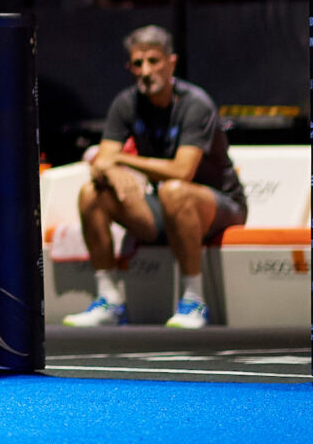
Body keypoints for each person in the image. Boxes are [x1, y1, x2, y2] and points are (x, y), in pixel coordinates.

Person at [62, 25, 247, 329]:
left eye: (153, 61)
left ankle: (193, 302)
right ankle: (109, 300)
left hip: (221, 205)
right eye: (138, 63)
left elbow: (181, 171)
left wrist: (120, 160)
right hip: (166, 206)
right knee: (91, 193)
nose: (145, 71)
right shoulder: (126, 103)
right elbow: (101, 162)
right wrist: (110, 169)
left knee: (175, 190)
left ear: (171, 63)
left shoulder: (194, 104)